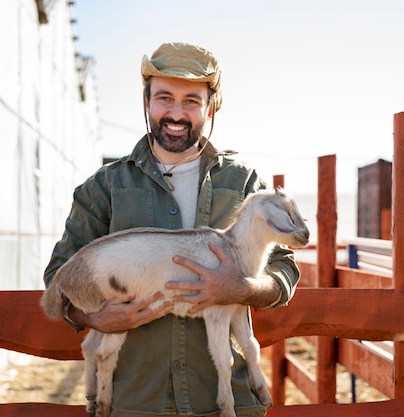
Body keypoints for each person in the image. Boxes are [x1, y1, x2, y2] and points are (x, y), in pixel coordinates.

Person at [44, 41, 300, 417]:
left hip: (224, 403)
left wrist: (243, 287)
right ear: (146, 102)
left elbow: (285, 270)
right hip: (136, 402)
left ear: (210, 107)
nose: (176, 113)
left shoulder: (245, 185)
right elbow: (59, 277)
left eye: (192, 101)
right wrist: (95, 318)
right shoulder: (104, 188)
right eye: (164, 98)